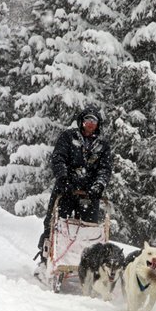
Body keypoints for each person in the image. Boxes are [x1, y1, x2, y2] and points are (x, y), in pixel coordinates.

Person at [35, 104, 112, 268]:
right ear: (81, 122)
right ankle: (45, 259)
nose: (90, 124)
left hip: (89, 195)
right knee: (53, 224)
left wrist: (98, 185)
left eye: (94, 121)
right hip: (66, 190)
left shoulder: (102, 146)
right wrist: (63, 179)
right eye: (87, 120)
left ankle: (85, 264)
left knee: (88, 230)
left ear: (98, 125)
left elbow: (105, 169)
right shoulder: (69, 137)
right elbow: (58, 158)